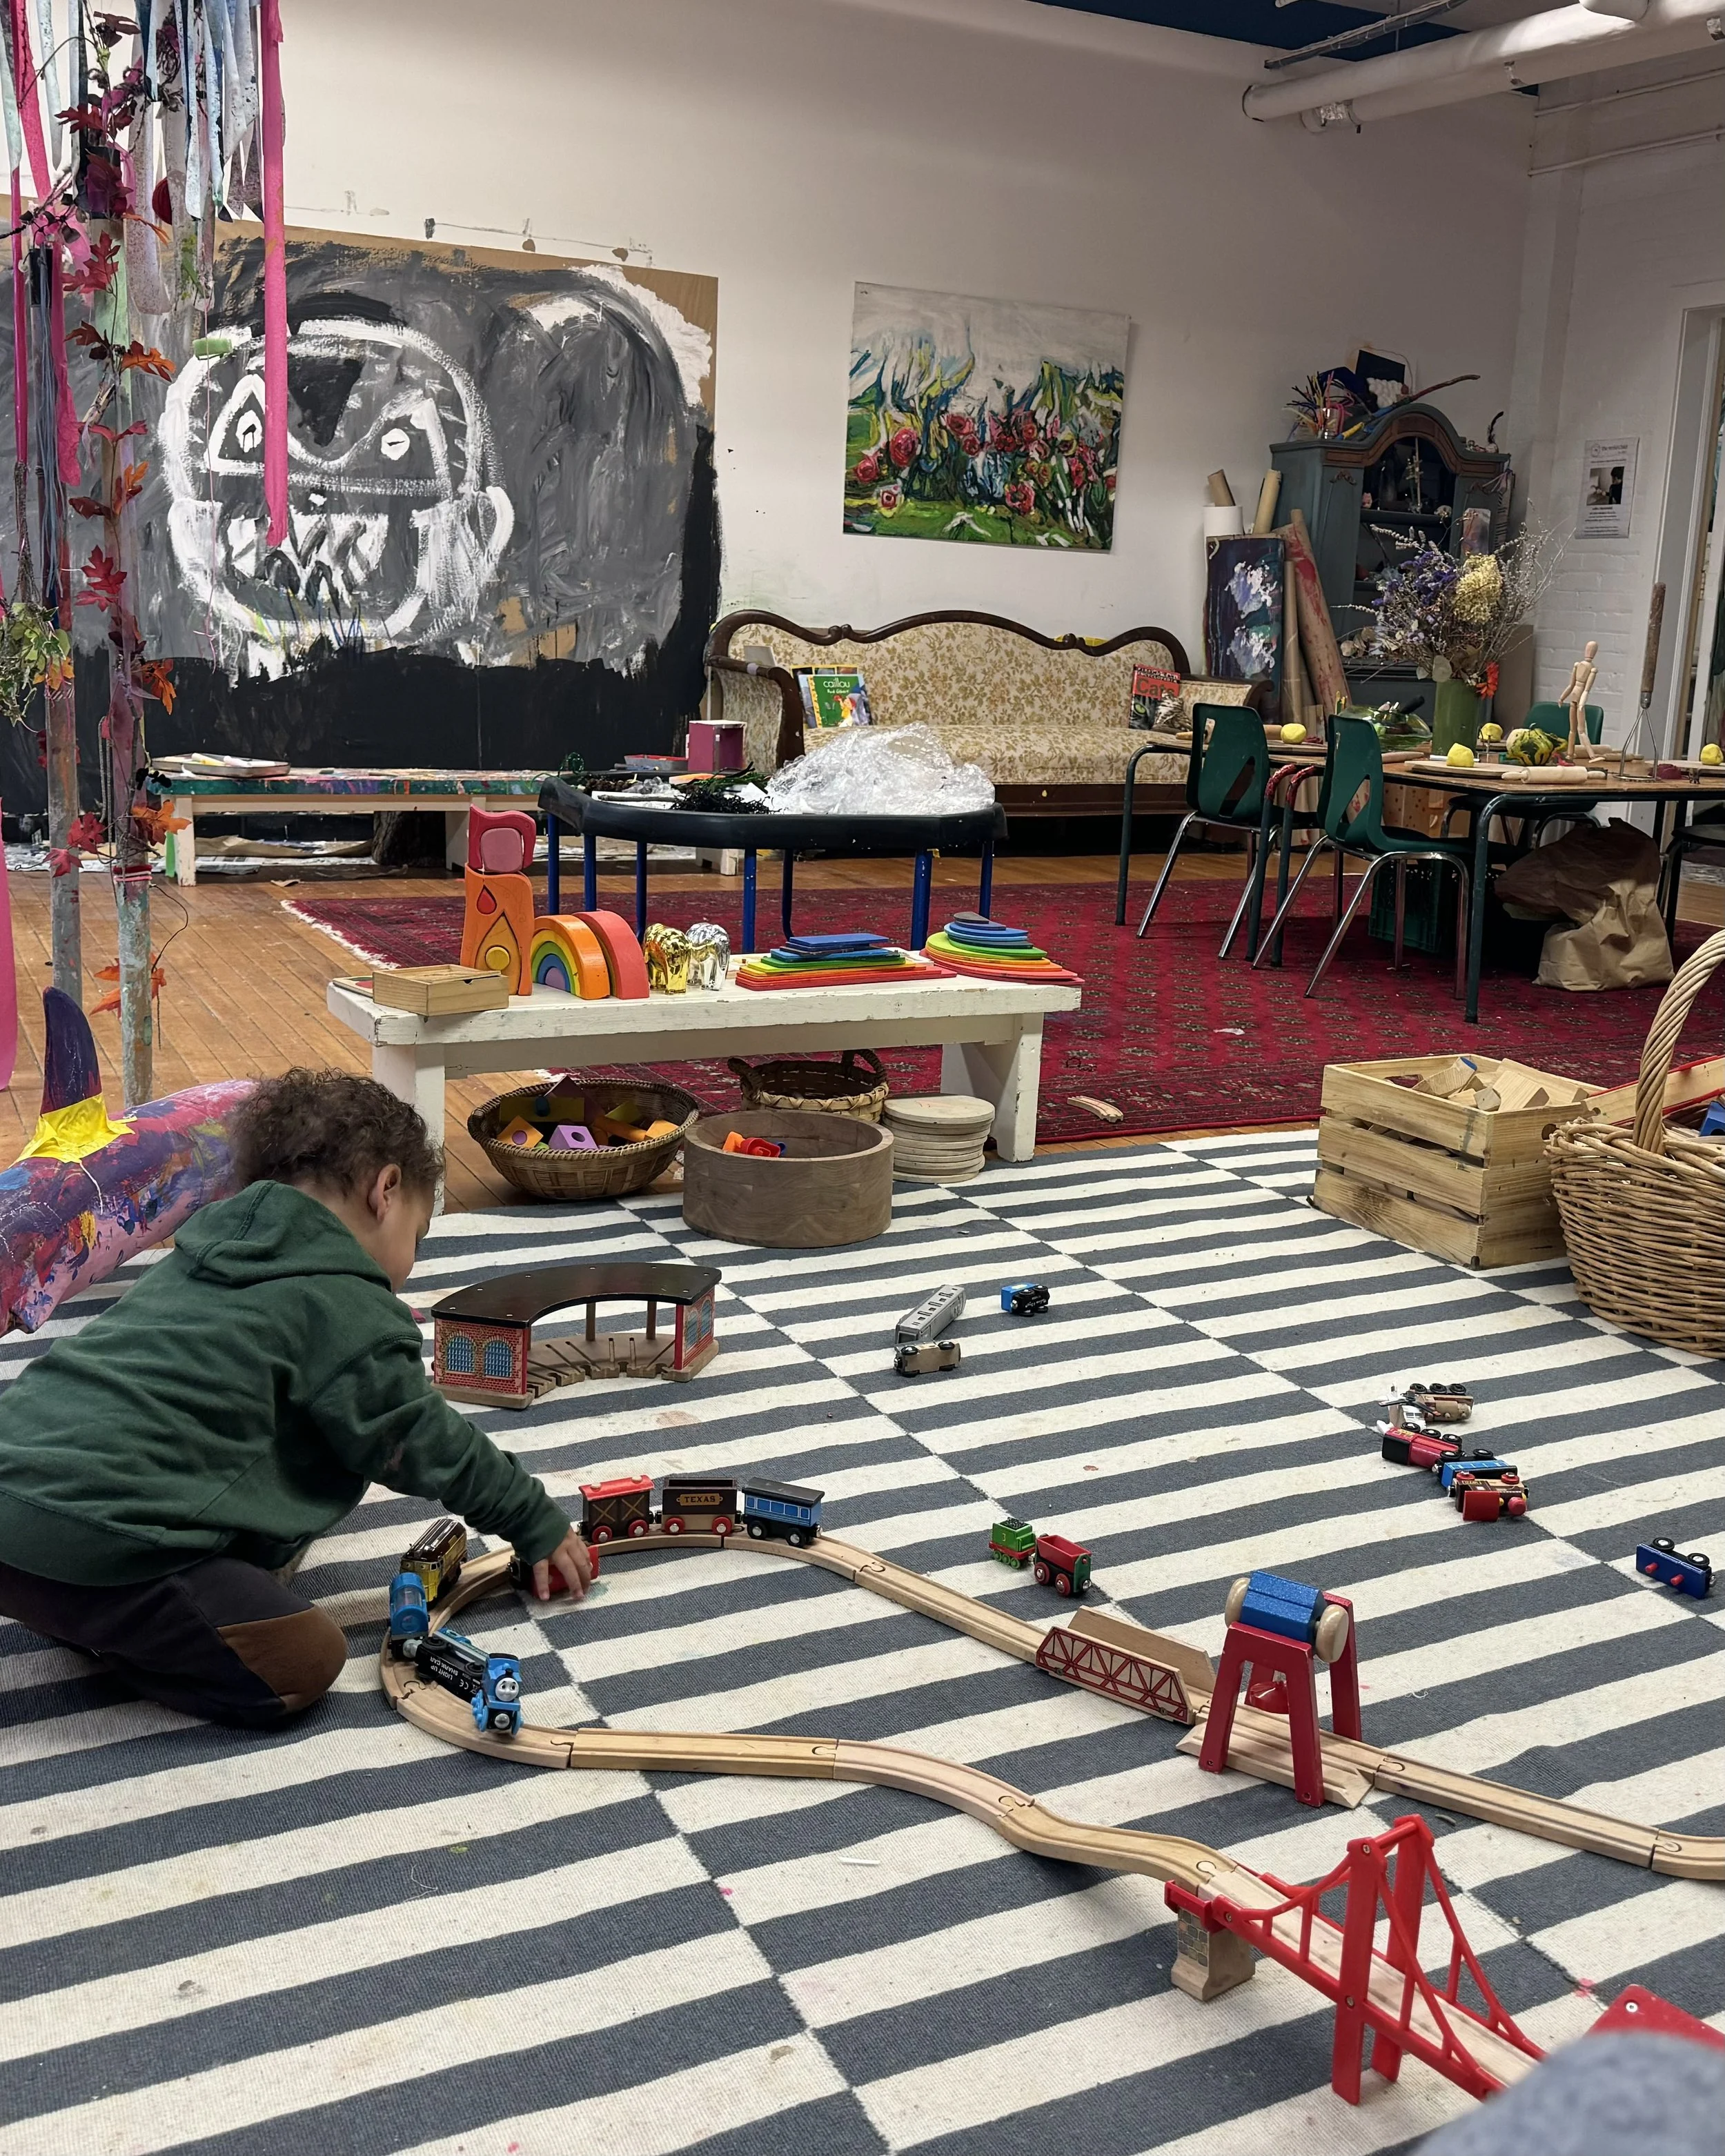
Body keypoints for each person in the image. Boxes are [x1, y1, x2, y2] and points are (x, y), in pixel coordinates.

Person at [0, 1069, 591, 1727]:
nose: (410, 1264)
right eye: (417, 1236)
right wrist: (533, 1519)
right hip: (99, 1534)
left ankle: (59, 1592)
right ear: (385, 1190)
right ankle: (105, 1627)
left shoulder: (199, 1255)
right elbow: (421, 1439)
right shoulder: (346, 1301)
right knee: (301, 1662)